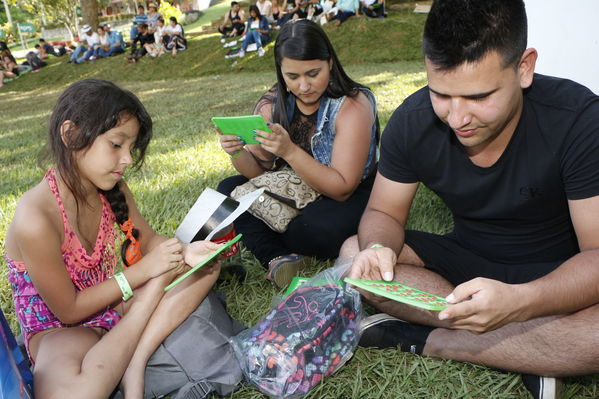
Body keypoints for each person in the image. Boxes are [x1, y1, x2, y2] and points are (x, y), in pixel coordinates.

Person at [343, 1, 599, 398]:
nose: (457, 117)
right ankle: (534, 351)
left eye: (478, 96)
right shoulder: (413, 122)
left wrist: (523, 302)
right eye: (440, 94)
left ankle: (438, 341)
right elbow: (381, 211)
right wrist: (378, 247)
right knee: (352, 254)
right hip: (465, 265)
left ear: (524, 67)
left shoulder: (579, 120)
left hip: (558, 278)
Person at [3, 78, 224, 399]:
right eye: (116, 145)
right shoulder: (35, 217)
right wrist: (147, 274)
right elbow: (68, 311)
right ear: (71, 134)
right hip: (61, 329)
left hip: (114, 304)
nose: (128, 160)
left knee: (205, 267)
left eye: (131, 148)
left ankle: (135, 361)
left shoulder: (111, 189)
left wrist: (188, 251)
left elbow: (147, 241)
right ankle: (134, 339)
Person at [217, 19, 379, 289]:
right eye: (292, 77)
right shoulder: (273, 103)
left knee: (316, 228)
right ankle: (277, 259)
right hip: (298, 189)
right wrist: (236, 152)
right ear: (281, 72)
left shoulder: (352, 105)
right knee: (228, 190)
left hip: (349, 194)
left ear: (330, 62)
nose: (304, 86)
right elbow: (259, 174)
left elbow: (342, 189)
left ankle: (276, 241)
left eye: (313, 73)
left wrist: (289, 151)